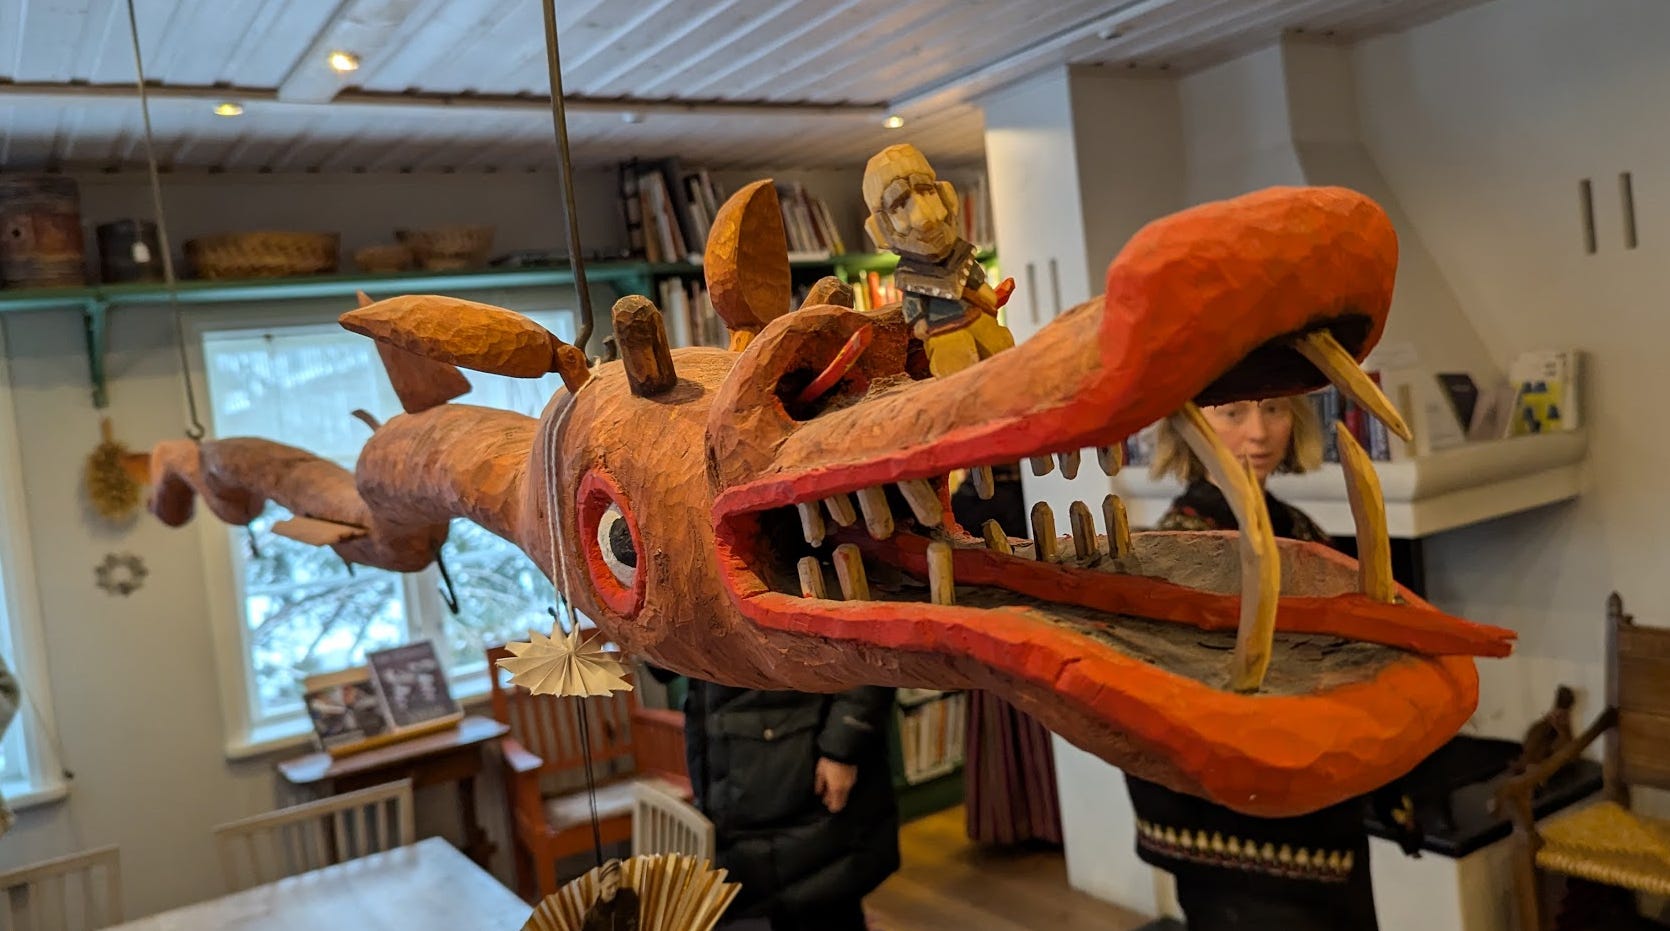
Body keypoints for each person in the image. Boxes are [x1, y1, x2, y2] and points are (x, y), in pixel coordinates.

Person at [1132, 395, 1415, 930]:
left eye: (1276, 409)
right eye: (1233, 413)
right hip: (1235, 834)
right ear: (1187, 424)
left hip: (1322, 807)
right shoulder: (1178, 548)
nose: (1259, 433)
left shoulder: (1297, 527)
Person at [678, 680, 900, 931]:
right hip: (734, 766)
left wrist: (843, 748)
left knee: (824, 892)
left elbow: (868, 669)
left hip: (804, 760)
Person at [861, 143, 1014, 378]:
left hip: (979, 318)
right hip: (944, 333)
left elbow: (974, 280)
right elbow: (913, 304)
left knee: (1004, 356)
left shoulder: (960, 254)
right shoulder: (910, 274)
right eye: (899, 205)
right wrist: (919, 321)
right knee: (957, 373)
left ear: (946, 195)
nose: (924, 219)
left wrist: (983, 292)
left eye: (927, 192)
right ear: (880, 229)